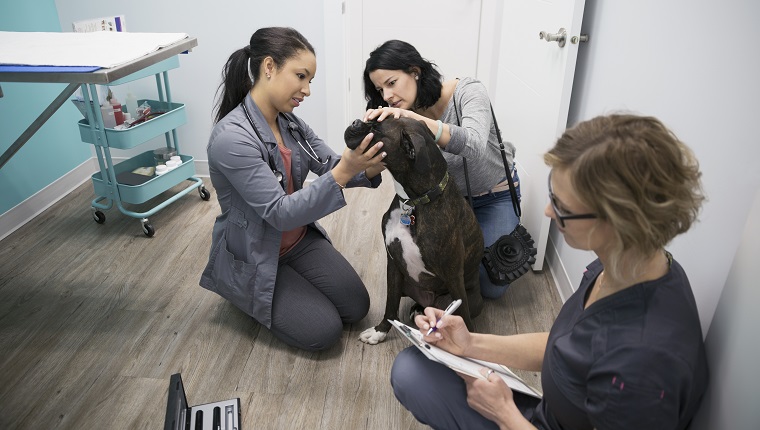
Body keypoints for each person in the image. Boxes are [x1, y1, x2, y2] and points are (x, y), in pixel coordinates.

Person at [389, 114, 709, 429]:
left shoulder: (641, 371)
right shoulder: (632, 263)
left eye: (562, 206)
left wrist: (505, 415)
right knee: (413, 368)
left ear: (618, 222)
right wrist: (470, 343)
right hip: (553, 410)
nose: (547, 210)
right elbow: (565, 345)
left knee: (412, 375)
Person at [199, 27, 386, 351]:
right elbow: (279, 213)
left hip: (298, 241)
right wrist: (346, 168)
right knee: (324, 332)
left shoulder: (289, 122)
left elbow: (329, 163)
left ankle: (288, 288)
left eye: (310, 80)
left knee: (357, 307)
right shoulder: (232, 139)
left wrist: (371, 161)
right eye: (301, 76)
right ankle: (241, 290)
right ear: (269, 68)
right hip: (257, 252)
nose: (307, 90)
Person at [362, 39, 520, 300]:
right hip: (438, 203)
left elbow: (474, 145)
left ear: (415, 71)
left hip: (492, 197)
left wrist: (419, 121)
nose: (387, 96)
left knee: (491, 284)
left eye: (391, 83)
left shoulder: (467, 91)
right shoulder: (399, 115)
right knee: (434, 268)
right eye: (380, 90)